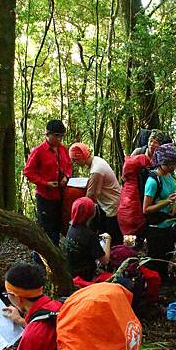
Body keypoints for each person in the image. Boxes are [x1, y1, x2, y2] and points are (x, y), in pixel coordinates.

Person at [23, 120, 72, 250]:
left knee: (58, 227)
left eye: (61, 136)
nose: (59, 139)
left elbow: (68, 166)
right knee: (47, 231)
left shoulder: (63, 149)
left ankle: (56, 257)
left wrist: (66, 177)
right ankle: (43, 261)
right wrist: (45, 183)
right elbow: (28, 172)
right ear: (48, 134)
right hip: (45, 197)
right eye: (57, 135)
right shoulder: (38, 151)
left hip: (61, 196)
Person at [68, 143, 123, 245]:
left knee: (112, 236)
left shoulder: (96, 170)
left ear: (82, 158)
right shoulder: (96, 160)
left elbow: (90, 196)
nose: (74, 163)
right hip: (108, 203)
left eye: (75, 160)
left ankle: (113, 256)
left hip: (110, 205)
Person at [143, 143, 176, 282]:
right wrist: (166, 202)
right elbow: (145, 209)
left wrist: (173, 208)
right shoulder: (152, 181)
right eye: (169, 163)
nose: (172, 166)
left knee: (166, 257)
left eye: (174, 163)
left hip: (169, 225)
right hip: (156, 228)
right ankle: (153, 285)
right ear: (161, 162)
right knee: (156, 259)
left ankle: (163, 280)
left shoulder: (170, 177)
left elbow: (173, 197)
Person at [64, 196, 111, 281]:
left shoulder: (71, 228)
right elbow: (105, 260)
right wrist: (108, 239)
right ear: (91, 214)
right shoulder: (89, 235)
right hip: (86, 276)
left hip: (72, 273)